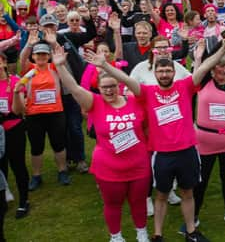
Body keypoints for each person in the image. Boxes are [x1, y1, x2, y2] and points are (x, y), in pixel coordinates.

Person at [86, 39, 225, 242]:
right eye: (160, 71)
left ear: (174, 72)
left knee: (187, 192)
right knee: (161, 195)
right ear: (155, 74)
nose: (164, 74)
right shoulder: (147, 92)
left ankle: (191, 231)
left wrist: (223, 48)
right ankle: (157, 234)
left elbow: (206, 66)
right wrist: (104, 65)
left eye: (167, 71)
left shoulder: (185, 86)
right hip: (161, 154)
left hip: (187, 149)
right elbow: (126, 80)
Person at [53, 45, 151, 242]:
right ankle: (116, 236)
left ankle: (142, 233)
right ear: (99, 87)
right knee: (112, 204)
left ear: (118, 86)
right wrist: (60, 67)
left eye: (112, 86)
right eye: (105, 87)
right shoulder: (94, 103)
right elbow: (73, 88)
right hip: (109, 168)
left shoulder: (134, 101)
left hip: (138, 165)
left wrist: (106, 65)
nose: (109, 90)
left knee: (138, 202)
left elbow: (130, 82)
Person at [192, 42, 225, 231]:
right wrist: (219, 46)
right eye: (219, 66)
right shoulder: (204, 82)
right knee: (201, 180)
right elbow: (204, 65)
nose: (223, 70)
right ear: (213, 69)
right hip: (205, 142)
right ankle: (194, 216)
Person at [14, 40, 71, 190]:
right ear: (33, 56)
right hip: (34, 114)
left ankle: (62, 171)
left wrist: (53, 43)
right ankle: (37, 175)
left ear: (48, 56)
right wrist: (28, 45)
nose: (41, 57)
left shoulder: (54, 67)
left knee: (58, 144)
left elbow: (59, 56)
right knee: (36, 147)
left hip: (55, 112)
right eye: (38, 54)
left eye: (44, 54)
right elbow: (22, 58)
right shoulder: (29, 69)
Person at [0, 52, 29, 219]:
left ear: (3, 62)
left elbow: (21, 111)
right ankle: (3, 200)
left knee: (17, 165)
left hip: (13, 128)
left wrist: (17, 94)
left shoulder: (15, 82)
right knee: (0, 167)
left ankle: (24, 200)